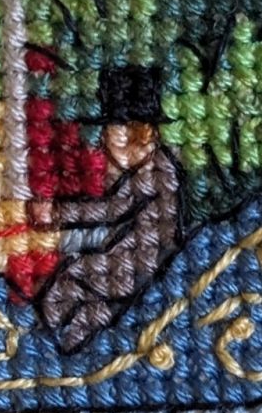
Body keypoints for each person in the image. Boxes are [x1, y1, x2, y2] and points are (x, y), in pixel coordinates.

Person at [27, 64, 183, 352]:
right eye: (117, 130)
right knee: (63, 286)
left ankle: (82, 349)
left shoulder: (158, 169)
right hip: (117, 253)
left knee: (70, 285)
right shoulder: (126, 167)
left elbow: (114, 209)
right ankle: (71, 347)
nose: (125, 144)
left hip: (139, 261)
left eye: (137, 136)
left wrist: (58, 213)